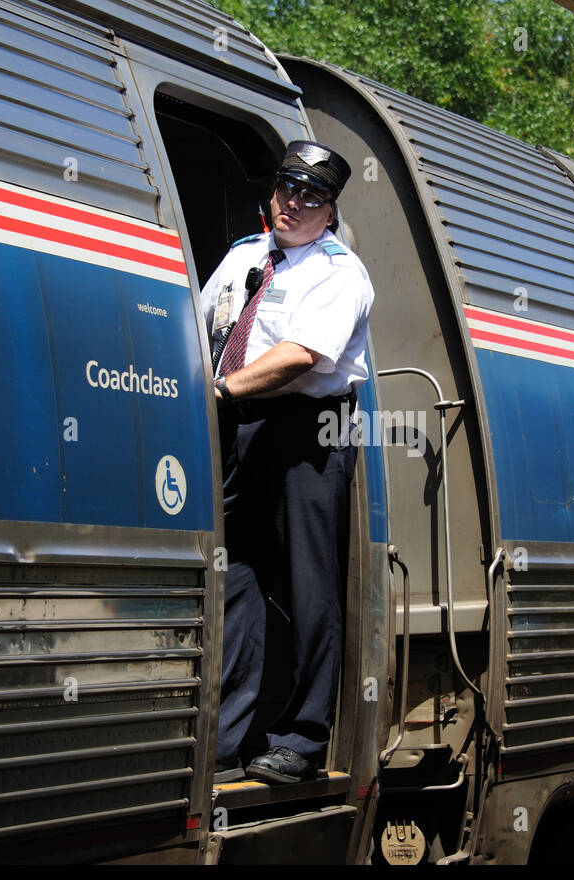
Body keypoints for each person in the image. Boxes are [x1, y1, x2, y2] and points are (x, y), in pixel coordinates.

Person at [199, 141, 374, 784]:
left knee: (309, 581)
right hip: (243, 425)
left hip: (308, 432)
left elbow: (302, 355)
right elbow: (204, 322)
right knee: (237, 577)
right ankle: (221, 742)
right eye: (285, 190)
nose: (292, 204)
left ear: (329, 212)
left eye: (310, 198)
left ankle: (301, 742)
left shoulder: (339, 271)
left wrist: (223, 387)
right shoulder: (246, 255)